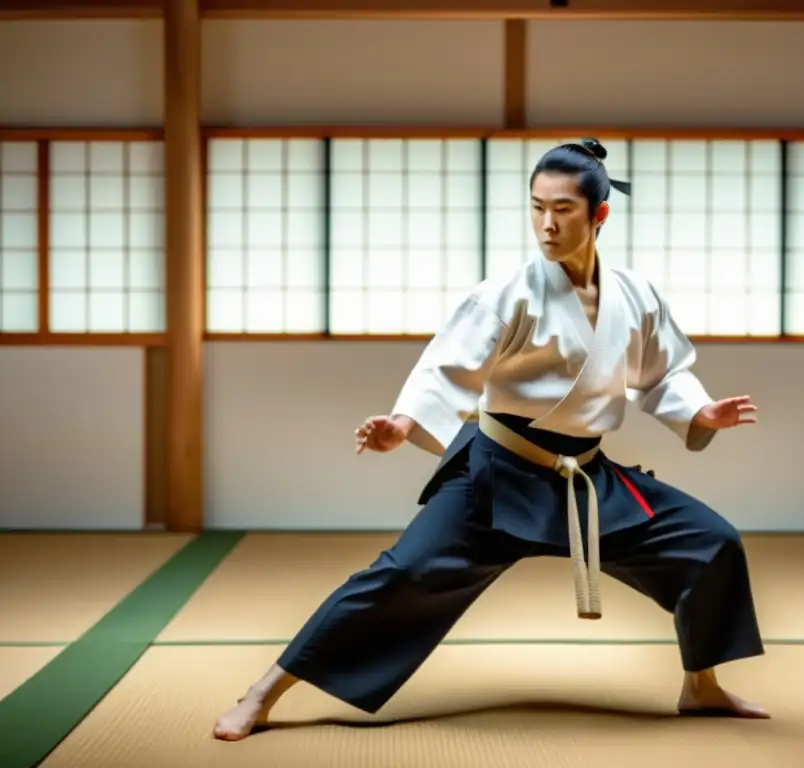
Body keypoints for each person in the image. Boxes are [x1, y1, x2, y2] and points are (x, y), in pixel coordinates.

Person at [213, 137, 768, 741]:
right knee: (400, 576)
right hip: (500, 475)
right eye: (536, 207)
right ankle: (263, 691)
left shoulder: (634, 295)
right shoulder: (509, 293)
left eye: (562, 209)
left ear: (599, 214)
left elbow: (662, 374)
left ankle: (701, 685)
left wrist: (701, 411)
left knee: (711, 542)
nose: (546, 224)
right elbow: (448, 369)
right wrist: (401, 425)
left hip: (586, 478)